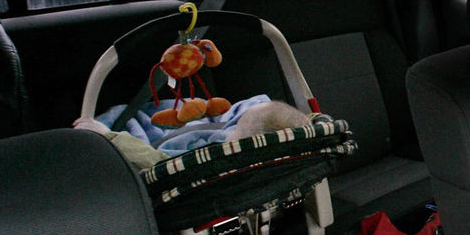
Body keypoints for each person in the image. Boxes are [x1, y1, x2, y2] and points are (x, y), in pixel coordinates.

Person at [75, 100, 311, 170]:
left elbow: (157, 162)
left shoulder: (217, 163)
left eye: (236, 129)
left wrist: (108, 136)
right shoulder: (302, 153)